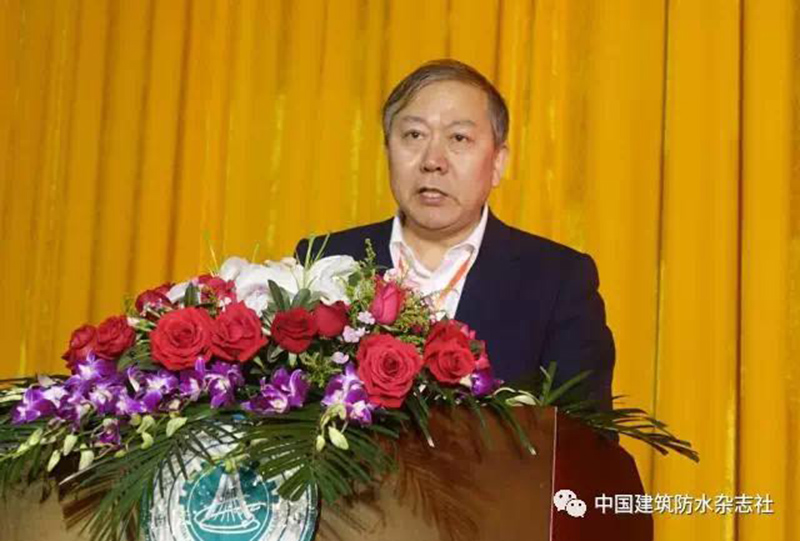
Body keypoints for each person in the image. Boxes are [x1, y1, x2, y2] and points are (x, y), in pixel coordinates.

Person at [296, 59, 615, 411]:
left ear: (498, 162)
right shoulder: (324, 260)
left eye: (459, 138)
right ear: (387, 151)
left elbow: (585, 435)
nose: (433, 160)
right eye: (414, 135)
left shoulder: (558, 281)